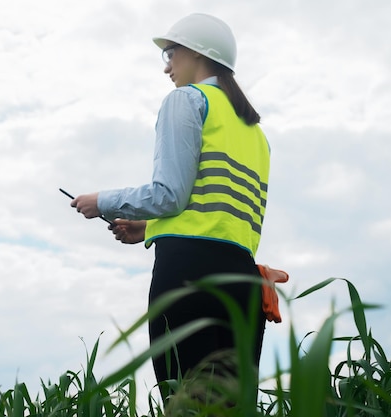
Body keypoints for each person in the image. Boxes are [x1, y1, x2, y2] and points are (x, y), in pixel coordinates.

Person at [71, 13, 270, 406]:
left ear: (197, 53)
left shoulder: (187, 100)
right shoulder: (256, 133)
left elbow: (169, 194)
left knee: (186, 404)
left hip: (189, 276)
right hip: (245, 283)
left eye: (170, 52)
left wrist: (102, 201)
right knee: (231, 411)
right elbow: (216, 212)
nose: (167, 66)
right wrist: (148, 229)